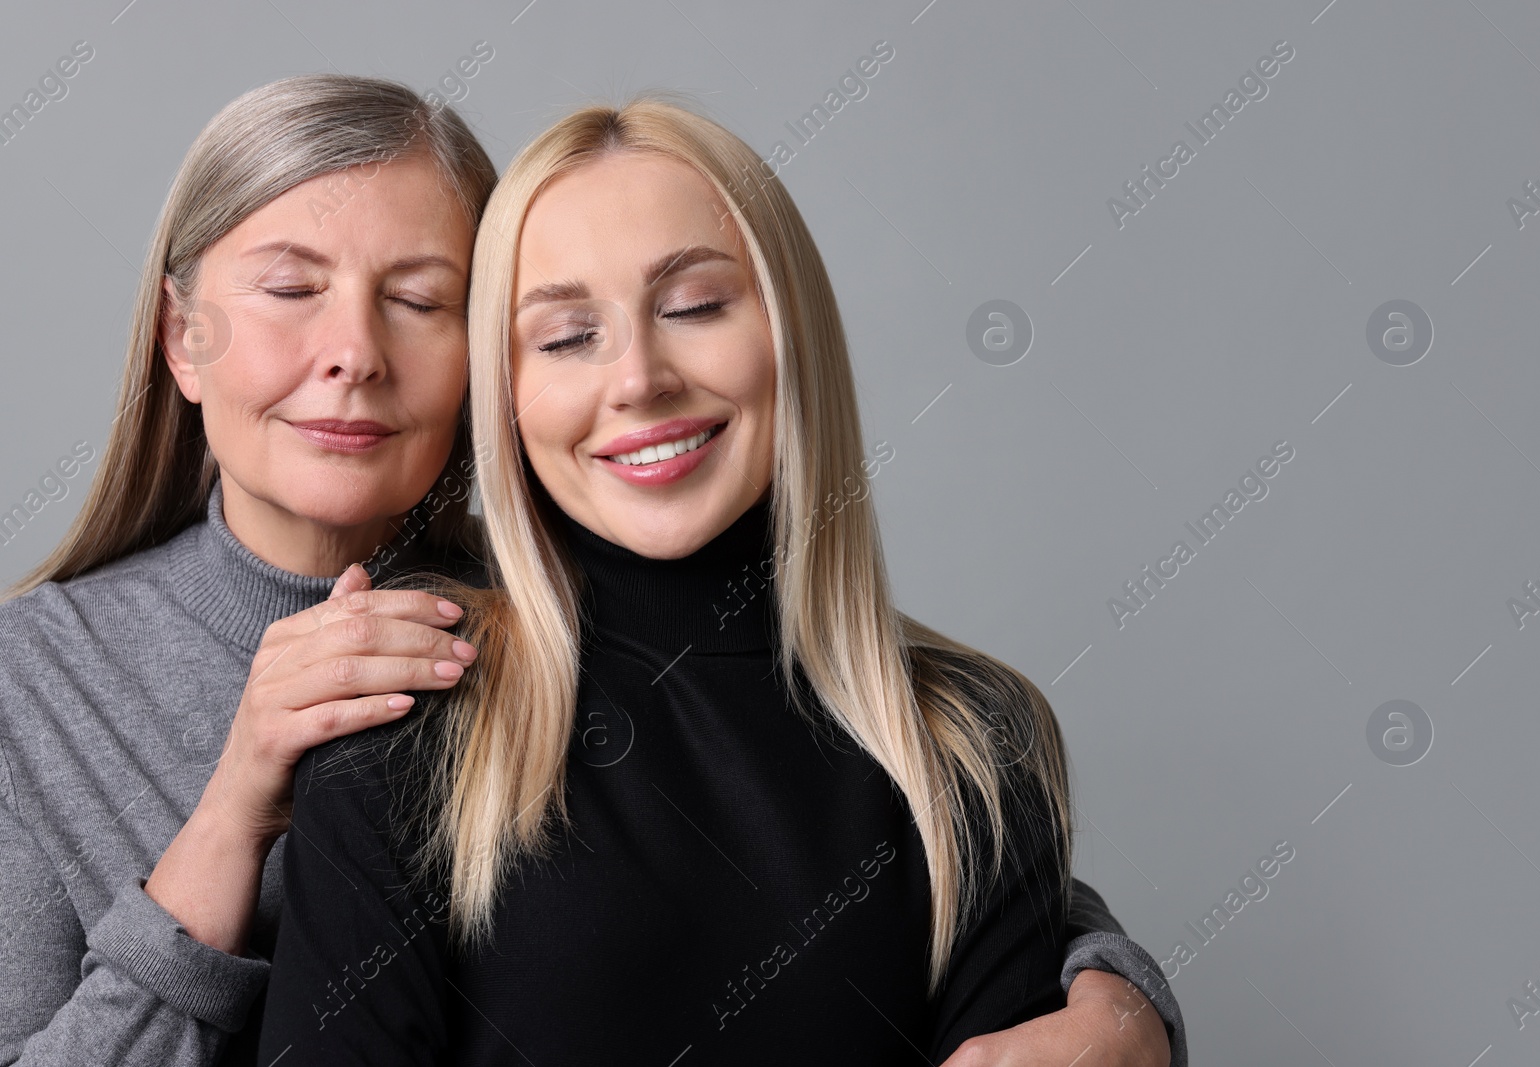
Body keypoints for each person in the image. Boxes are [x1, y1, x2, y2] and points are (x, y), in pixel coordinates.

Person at [258, 97, 1183, 1066]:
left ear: (792, 331)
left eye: (694, 306)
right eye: (568, 336)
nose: (639, 378)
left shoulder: (972, 741)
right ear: (508, 395)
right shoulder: (410, 713)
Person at [0, 74, 498, 1064]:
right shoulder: (26, 684)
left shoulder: (586, 628)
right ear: (183, 340)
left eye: (417, 299)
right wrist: (233, 812)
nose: (355, 352)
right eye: (291, 289)